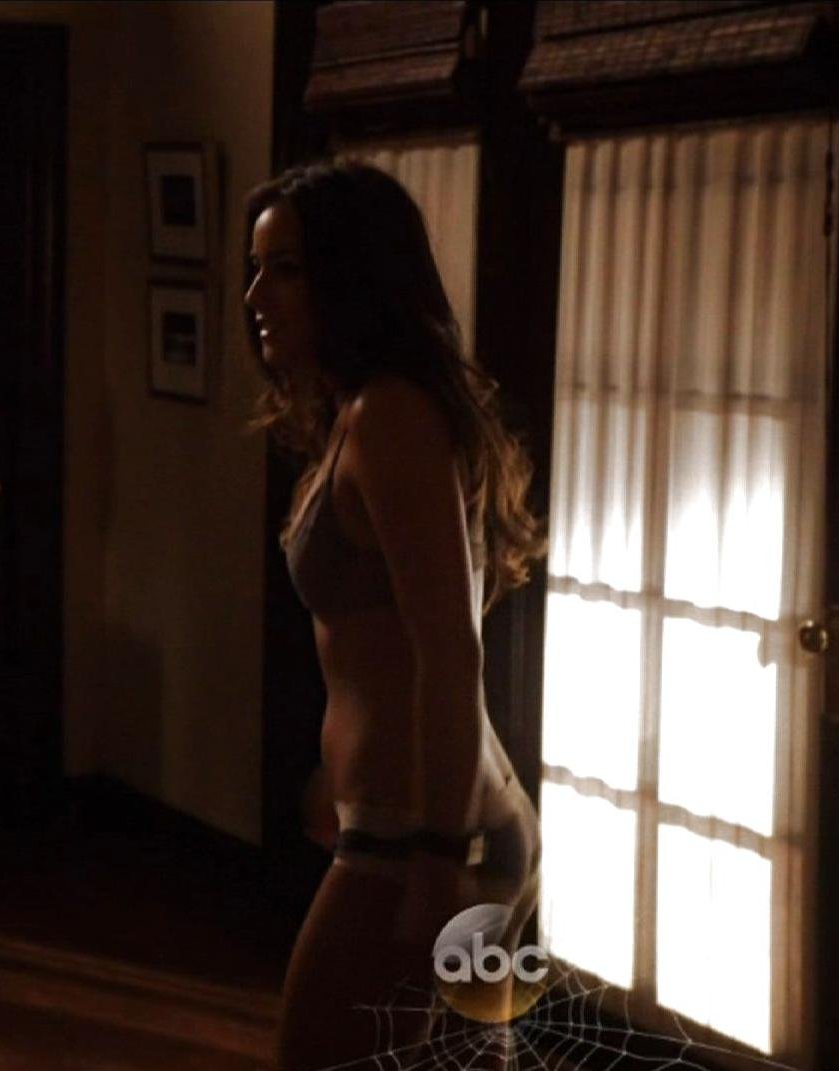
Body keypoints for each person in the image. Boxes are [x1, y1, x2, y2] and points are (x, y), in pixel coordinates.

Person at [243, 159, 549, 1070]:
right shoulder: (356, 412)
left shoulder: (390, 418)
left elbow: (449, 650)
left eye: (285, 269)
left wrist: (437, 859)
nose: (256, 296)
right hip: (418, 824)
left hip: (426, 835)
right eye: (256, 269)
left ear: (350, 276)